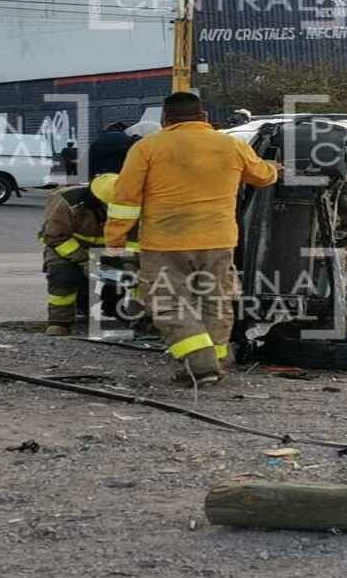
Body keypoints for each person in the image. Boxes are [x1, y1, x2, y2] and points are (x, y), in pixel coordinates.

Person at [104, 92, 279, 386]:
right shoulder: (231, 145)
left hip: (165, 242)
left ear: (164, 120)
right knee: (215, 300)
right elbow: (263, 176)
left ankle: (200, 363)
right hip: (218, 241)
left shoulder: (147, 147)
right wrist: (275, 168)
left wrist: (116, 237)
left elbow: (125, 198)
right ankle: (218, 361)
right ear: (204, 118)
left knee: (166, 302)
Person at [39, 173, 120, 336]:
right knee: (64, 277)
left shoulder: (131, 202)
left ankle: (119, 317)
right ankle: (59, 322)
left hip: (107, 249)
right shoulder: (66, 201)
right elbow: (55, 237)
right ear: (98, 201)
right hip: (64, 246)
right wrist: (84, 261)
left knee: (120, 279)